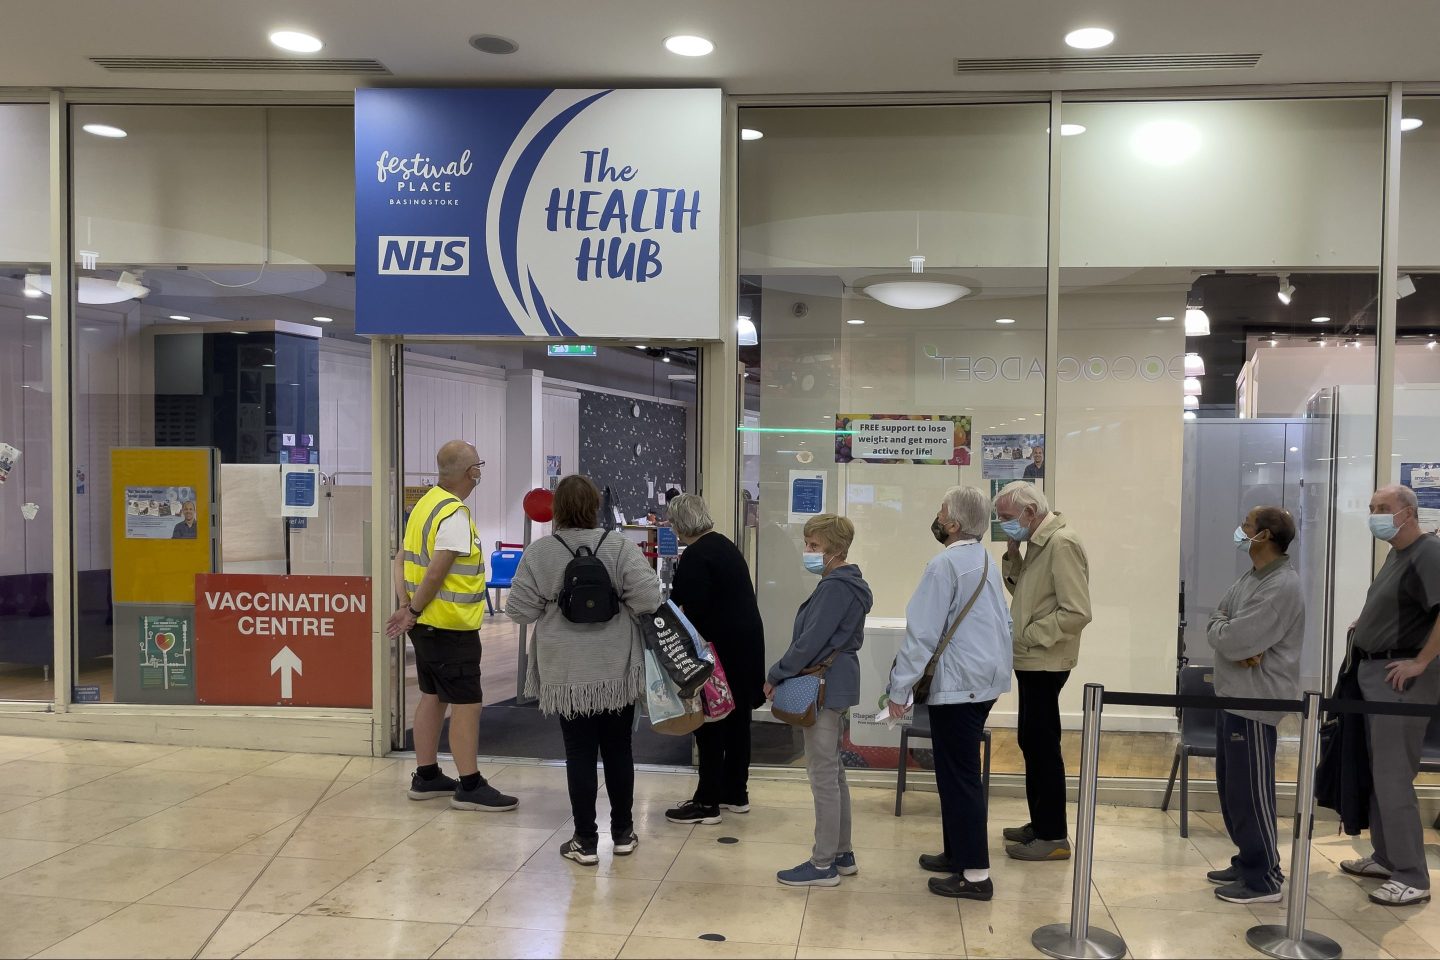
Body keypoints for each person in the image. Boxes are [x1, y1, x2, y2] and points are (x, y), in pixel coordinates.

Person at [506, 474, 662, 865]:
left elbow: (518, 611)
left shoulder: (540, 553)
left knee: (578, 753)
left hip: (567, 674)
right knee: (619, 750)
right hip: (615, 670)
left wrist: (552, 604)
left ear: (557, 510)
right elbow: (649, 598)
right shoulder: (619, 547)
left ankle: (585, 840)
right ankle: (623, 833)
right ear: (595, 507)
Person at [888, 486, 1013, 902]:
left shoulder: (944, 565)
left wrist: (898, 689)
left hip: (960, 685)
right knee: (953, 772)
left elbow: (921, 634)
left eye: (941, 511)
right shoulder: (983, 559)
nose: (937, 516)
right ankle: (956, 853)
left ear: (954, 524)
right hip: (983, 680)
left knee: (960, 779)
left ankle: (975, 875)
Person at [385, 441, 517, 812]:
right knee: (467, 704)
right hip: (449, 627)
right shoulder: (454, 515)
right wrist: (412, 607)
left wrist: (406, 607)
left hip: (426, 625)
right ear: (470, 472)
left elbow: (400, 560)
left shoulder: (425, 505)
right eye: (479, 465)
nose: (480, 471)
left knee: (434, 696)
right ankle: (470, 785)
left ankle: (426, 776)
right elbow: (437, 569)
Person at [1339, 484, 1440, 906]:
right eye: (1371, 507)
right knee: (1379, 771)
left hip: (1400, 679)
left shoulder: (1429, 552)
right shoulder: (1397, 554)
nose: (1375, 513)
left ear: (1409, 513)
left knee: (1394, 776)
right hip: (1373, 672)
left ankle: (1412, 875)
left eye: (1384, 507)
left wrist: (1420, 662)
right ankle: (1386, 855)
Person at [764, 514, 873, 887]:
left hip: (823, 687)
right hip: (838, 683)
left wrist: (776, 672)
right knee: (834, 772)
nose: (807, 552)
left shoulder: (835, 587)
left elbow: (810, 642)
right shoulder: (849, 584)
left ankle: (823, 863)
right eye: (807, 544)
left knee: (823, 775)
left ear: (835, 550)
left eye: (814, 546)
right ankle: (842, 854)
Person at [1206, 506, 1304, 905]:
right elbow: (1219, 621)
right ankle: (1248, 859)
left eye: (1246, 525)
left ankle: (1264, 878)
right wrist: (1228, 632)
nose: (1240, 530)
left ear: (1263, 536)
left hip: (1255, 700)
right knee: (1232, 791)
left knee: (1251, 793)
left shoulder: (1281, 585)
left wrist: (1232, 636)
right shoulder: (1254, 576)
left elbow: (1235, 639)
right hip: (1233, 694)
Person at [994, 480, 1091, 861]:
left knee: (1042, 745)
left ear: (1030, 512)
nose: (1003, 524)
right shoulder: (1039, 541)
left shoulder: (1061, 543)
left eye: (1006, 518)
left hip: (1045, 658)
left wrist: (1030, 635)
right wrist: (1013, 557)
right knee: (1031, 742)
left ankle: (1053, 836)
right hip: (1032, 656)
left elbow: (1076, 611)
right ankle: (1041, 821)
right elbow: (1028, 596)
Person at [663, 493, 766, 824]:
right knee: (738, 723)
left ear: (680, 525)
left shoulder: (696, 556)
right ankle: (736, 793)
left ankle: (706, 803)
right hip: (745, 648)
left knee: (709, 724)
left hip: (718, 655)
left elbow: (686, 608)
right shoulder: (725, 546)